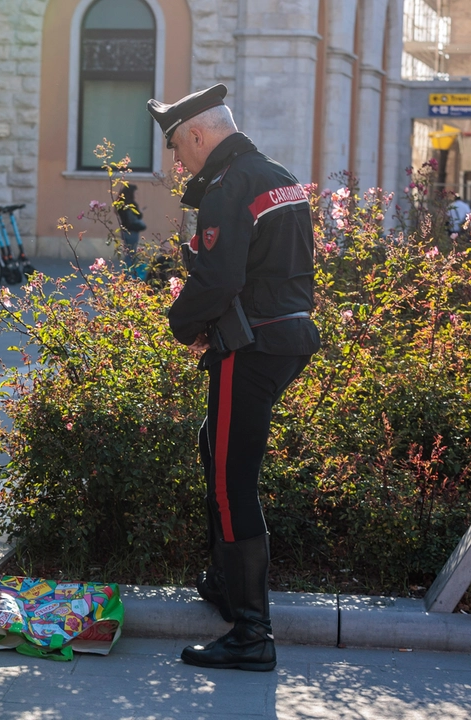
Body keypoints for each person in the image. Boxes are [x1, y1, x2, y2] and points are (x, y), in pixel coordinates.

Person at [147, 84, 321, 672]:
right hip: (286, 338)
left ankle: (251, 632)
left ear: (198, 134)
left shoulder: (227, 187)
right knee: (215, 447)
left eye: (176, 146)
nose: (177, 161)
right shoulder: (276, 173)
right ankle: (226, 584)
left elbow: (219, 279)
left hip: (252, 345)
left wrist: (181, 323)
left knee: (229, 477)